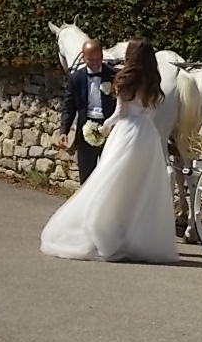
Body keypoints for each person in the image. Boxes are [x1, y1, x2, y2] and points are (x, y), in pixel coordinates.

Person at [41, 38, 179, 263]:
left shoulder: (125, 79)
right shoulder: (154, 81)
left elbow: (120, 113)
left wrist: (104, 128)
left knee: (111, 183)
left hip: (127, 133)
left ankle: (106, 231)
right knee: (141, 188)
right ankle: (137, 237)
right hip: (149, 136)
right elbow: (151, 113)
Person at [58, 39, 117, 184]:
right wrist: (64, 131)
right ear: (83, 57)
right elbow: (69, 106)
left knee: (110, 176)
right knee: (86, 176)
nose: (96, 64)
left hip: (109, 129)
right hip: (85, 129)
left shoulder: (114, 75)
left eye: (98, 59)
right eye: (91, 60)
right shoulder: (76, 78)